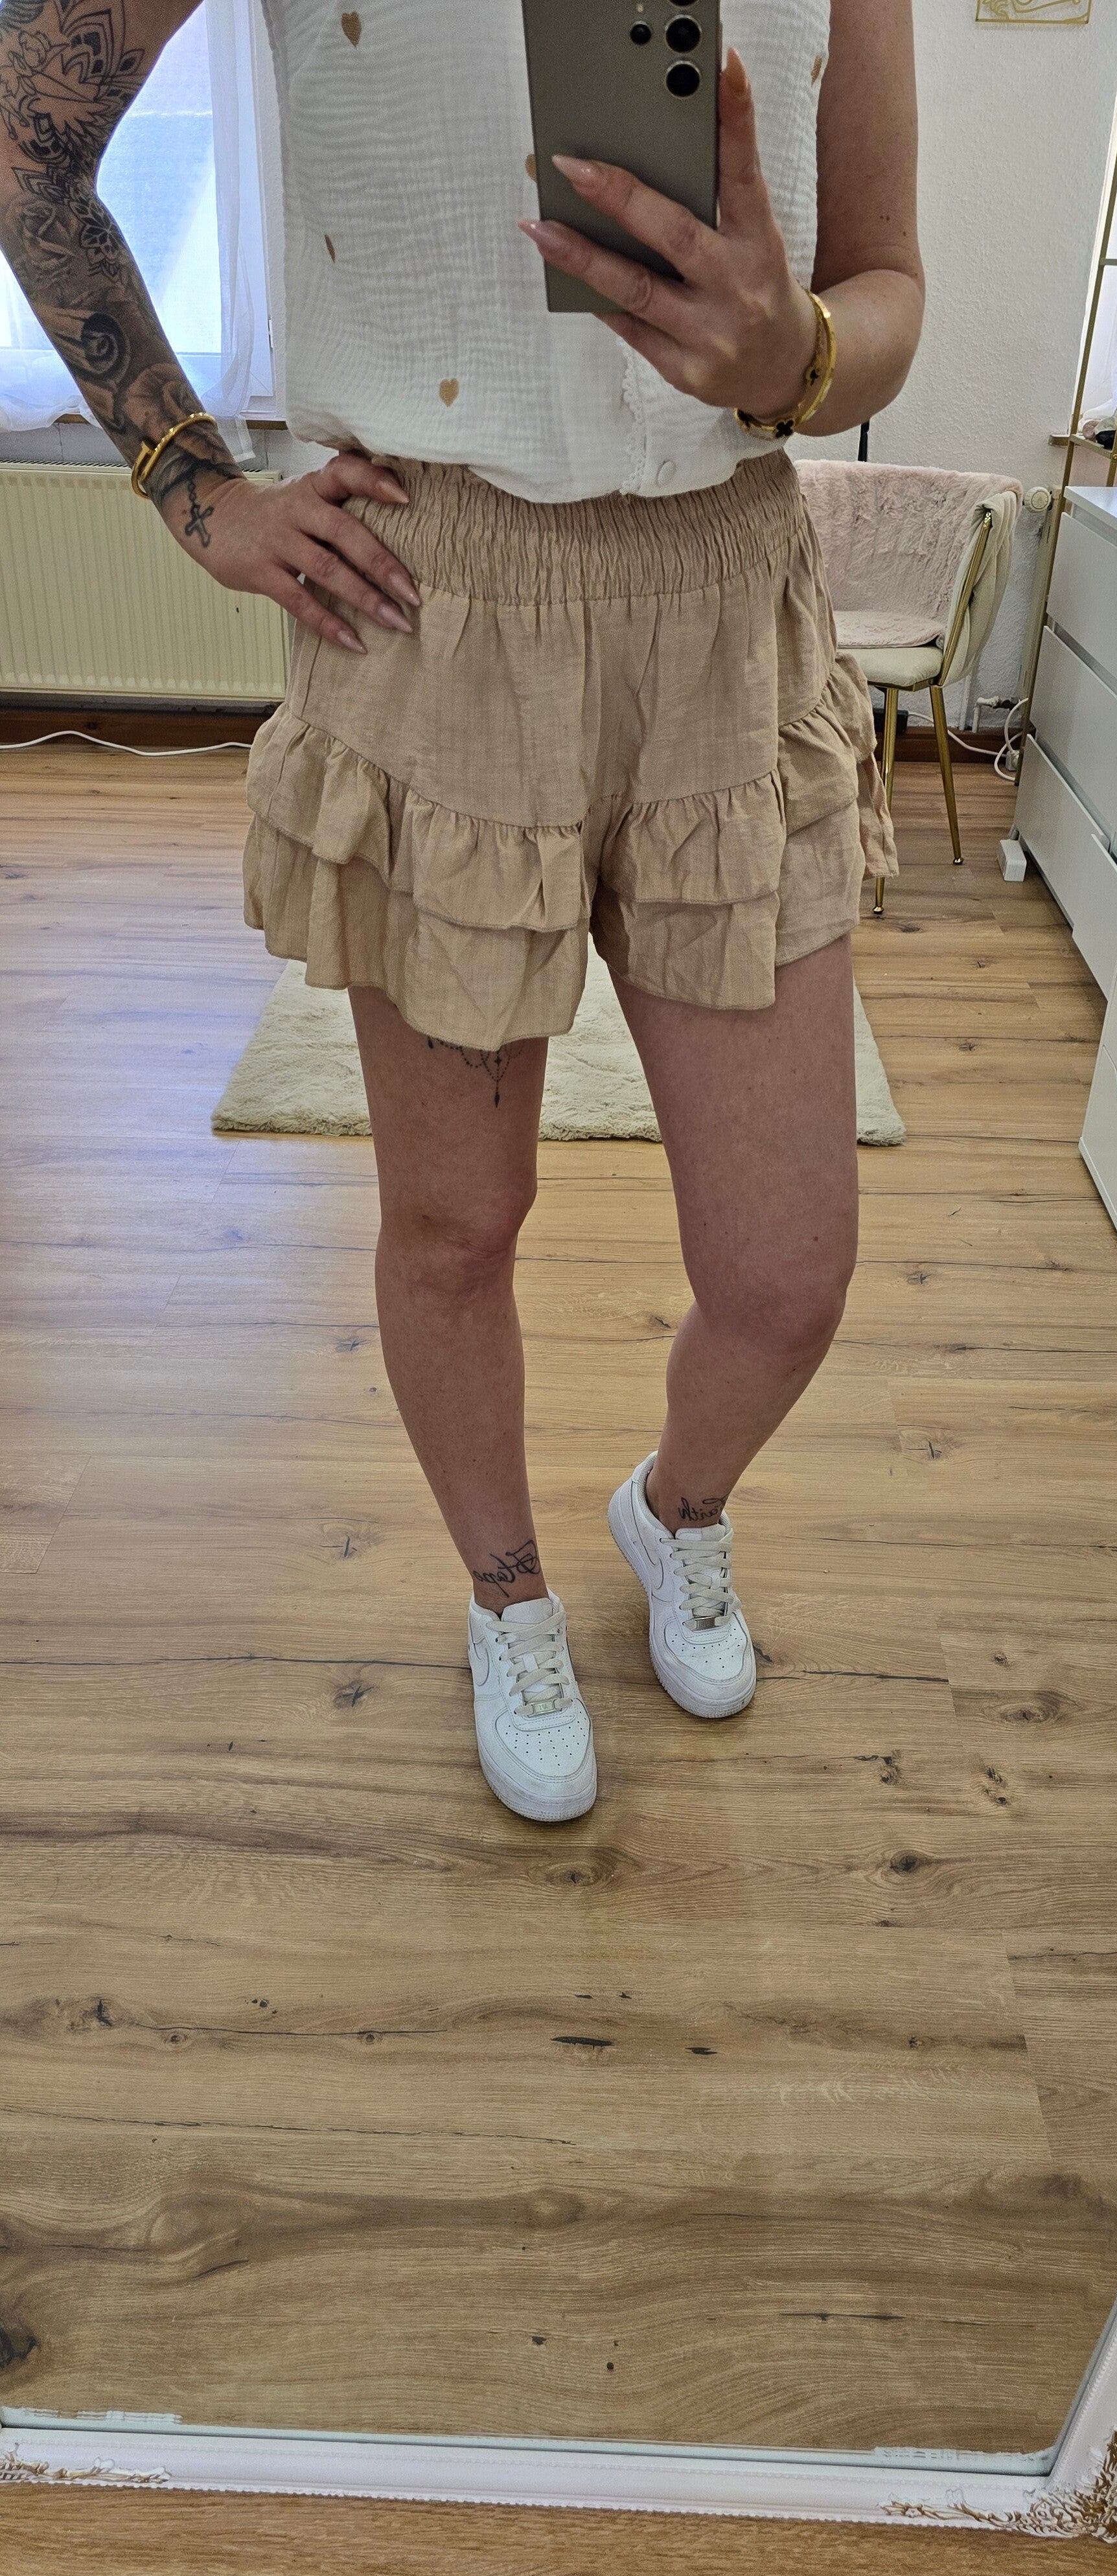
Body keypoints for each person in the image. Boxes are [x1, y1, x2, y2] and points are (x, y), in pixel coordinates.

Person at [0, 0, 923, 1824]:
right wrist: (194, 484)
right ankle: (507, 1596)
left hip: (731, 593)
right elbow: (27, 137)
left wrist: (799, 352)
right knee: (451, 1222)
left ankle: (673, 1511)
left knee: (788, 1271)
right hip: (424, 596)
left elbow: (888, 284)